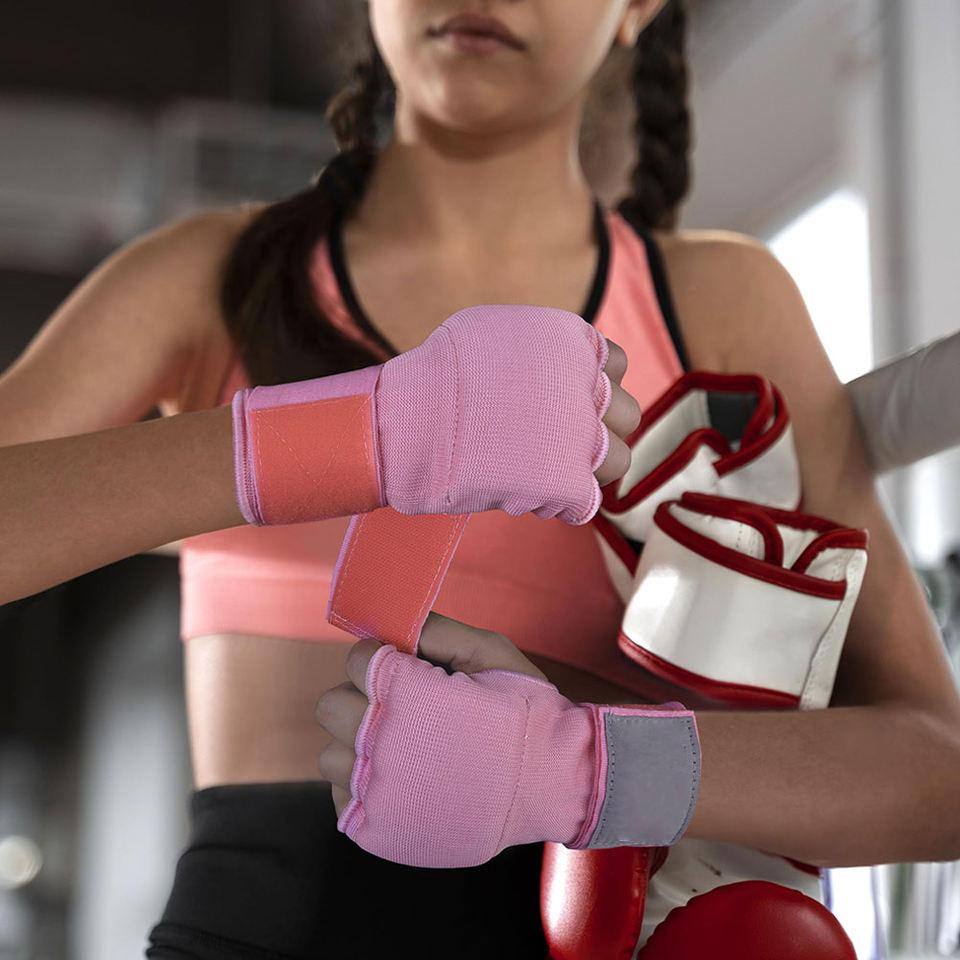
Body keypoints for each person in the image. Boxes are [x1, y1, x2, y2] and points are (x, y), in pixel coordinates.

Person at [1, 1, 959, 957]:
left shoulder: (720, 300)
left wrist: (579, 766)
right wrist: (366, 434)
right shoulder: (216, 274)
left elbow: (937, 771)